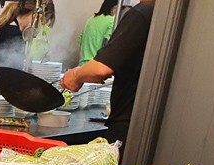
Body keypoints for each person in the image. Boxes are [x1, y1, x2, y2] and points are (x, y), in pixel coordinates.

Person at [59, 0, 155, 146]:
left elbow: (100, 69)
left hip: (127, 124)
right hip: (146, 123)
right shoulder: (158, 15)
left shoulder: (142, 13)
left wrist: (75, 76)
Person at [0, 1, 55, 65]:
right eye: (41, 22)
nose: (39, 27)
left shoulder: (6, 27)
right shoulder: (14, 35)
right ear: (34, 14)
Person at [79, 0, 117, 66]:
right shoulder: (112, 21)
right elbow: (106, 44)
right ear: (113, 8)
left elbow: (80, 40)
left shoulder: (91, 19)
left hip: (82, 65)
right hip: (96, 66)